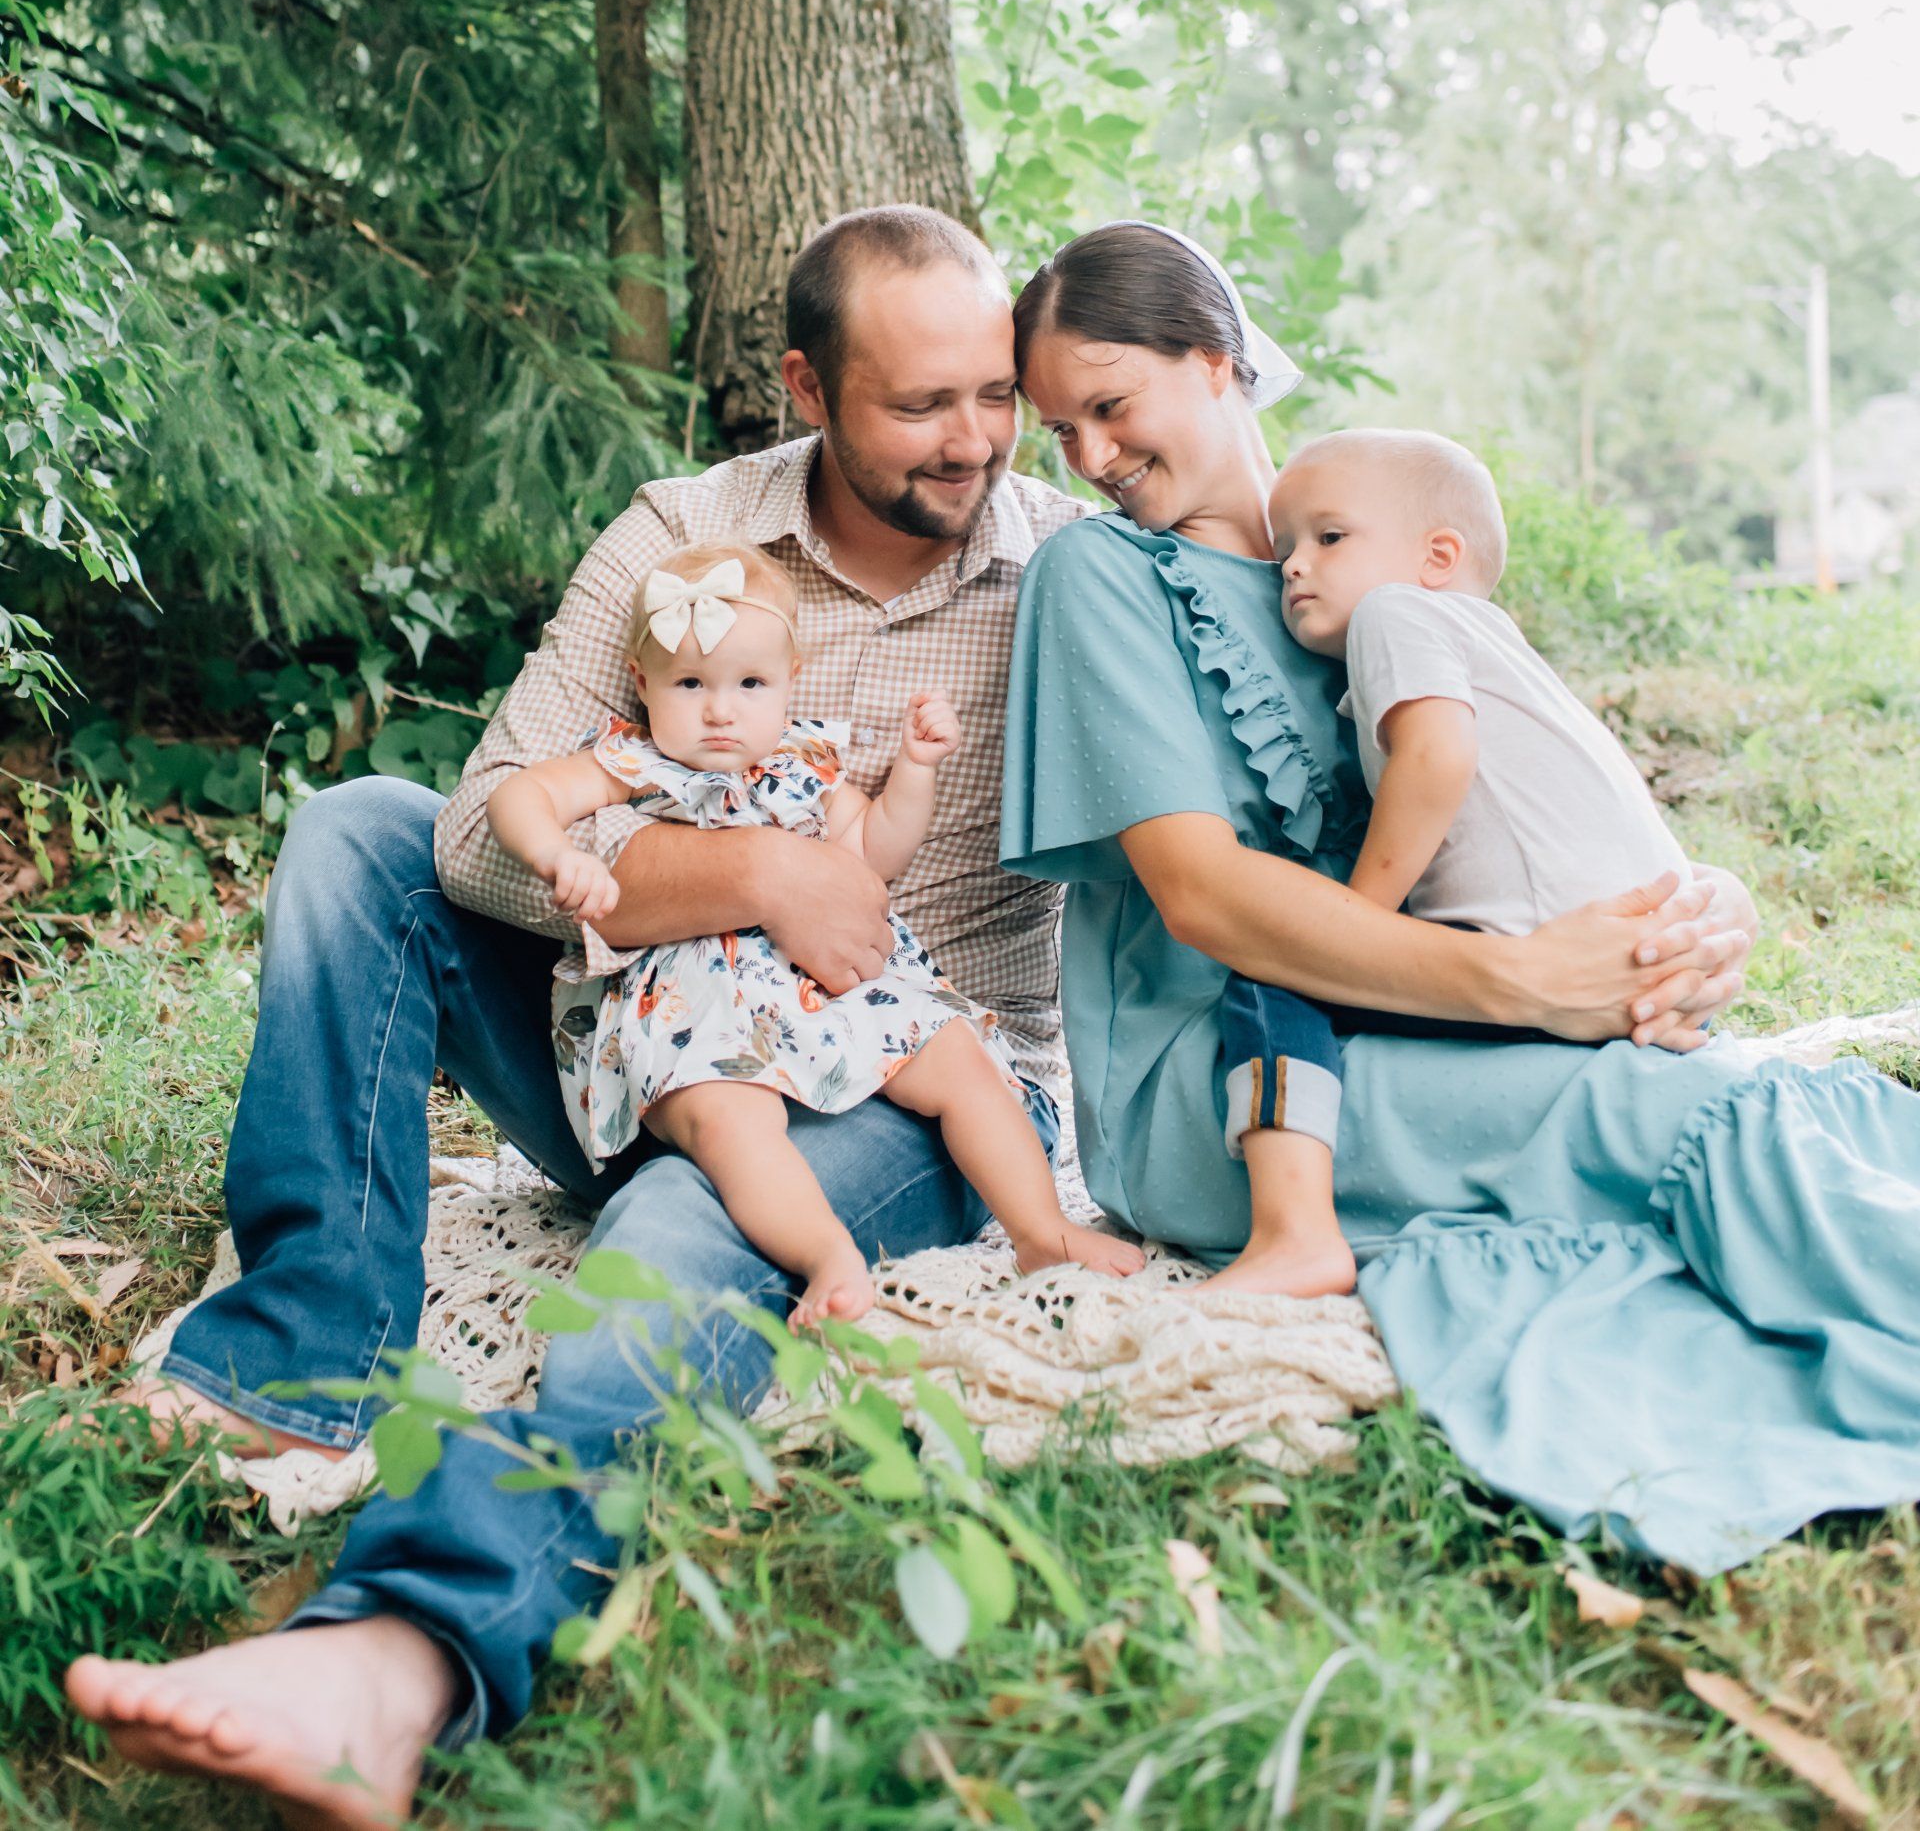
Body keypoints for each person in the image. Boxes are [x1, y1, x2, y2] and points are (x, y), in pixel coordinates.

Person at [66, 207, 1089, 1823]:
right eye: (919, 406)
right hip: (648, 1032)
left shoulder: (1060, 565)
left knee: (676, 1254)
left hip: (892, 1080)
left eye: (993, 396)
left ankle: (397, 1651)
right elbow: (483, 829)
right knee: (361, 831)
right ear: (807, 384)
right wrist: (754, 869)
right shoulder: (686, 537)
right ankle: (306, 1339)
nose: (971, 443)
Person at [1009, 217, 1920, 1576]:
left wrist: (1694, 907)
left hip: (1416, 1022)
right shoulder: (1104, 576)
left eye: (1108, 406)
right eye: (1057, 431)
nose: (1086, 458)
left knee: (1742, 1097)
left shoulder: (1363, 563)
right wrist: (1518, 984)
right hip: (1228, 1089)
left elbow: (1536, 779)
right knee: (1676, 1110)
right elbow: (1201, 898)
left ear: (1213, 362)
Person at [491, 539, 1140, 1324]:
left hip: (829, 990)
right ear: (644, 684)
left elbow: (873, 856)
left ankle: (1041, 1230)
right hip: (695, 1009)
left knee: (957, 1058)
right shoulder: (631, 761)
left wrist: (916, 769)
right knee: (736, 1123)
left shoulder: (806, 767)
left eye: (750, 683)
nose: (720, 710)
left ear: (789, 682)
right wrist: (557, 852)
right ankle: (825, 1252)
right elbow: (520, 794)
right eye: (690, 683)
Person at [1199, 427, 1697, 1294]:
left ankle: (1294, 1233)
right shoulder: (1495, 647)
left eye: (1328, 537)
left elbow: (1435, 760)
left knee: (1271, 978)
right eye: (1283, 548)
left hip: (1539, 936)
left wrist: (1358, 922)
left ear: (1436, 556)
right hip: (1628, 951)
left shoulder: (1399, 614)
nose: (1292, 565)